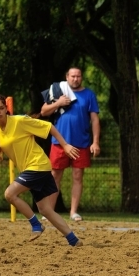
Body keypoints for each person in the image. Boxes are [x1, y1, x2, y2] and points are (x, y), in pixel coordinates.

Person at [0, 95, 82, 246]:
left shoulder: (19, 121)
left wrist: (65, 145)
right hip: (30, 170)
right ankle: (73, 240)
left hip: (38, 165)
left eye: (1, 108)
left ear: (6, 109)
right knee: (45, 209)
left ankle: (36, 225)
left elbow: (48, 127)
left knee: (10, 194)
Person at [40, 67, 100, 222]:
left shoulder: (89, 95)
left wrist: (95, 142)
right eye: (73, 76)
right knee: (54, 176)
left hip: (82, 143)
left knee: (78, 176)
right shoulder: (59, 91)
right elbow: (44, 111)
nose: (75, 79)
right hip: (60, 142)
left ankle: (73, 212)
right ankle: (49, 212)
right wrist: (58, 103)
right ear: (67, 77)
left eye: (78, 76)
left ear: (81, 78)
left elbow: (94, 119)